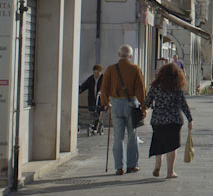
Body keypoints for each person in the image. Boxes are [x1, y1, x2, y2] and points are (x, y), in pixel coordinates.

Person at [100, 45, 147, 175]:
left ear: (118, 54)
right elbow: (140, 90)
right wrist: (144, 107)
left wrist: (105, 104)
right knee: (132, 136)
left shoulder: (110, 70)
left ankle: (118, 167)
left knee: (118, 137)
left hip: (116, 104)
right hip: (131, 103)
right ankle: (132, 165)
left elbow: (104, 89)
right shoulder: (135, 69)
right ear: (130, 56)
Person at [146, 63, 193, 179]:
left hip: (157, 120)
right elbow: (183, 105)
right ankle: (170, 172)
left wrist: (144, 109)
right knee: (172, 146)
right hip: (174, 120)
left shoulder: (155, 86)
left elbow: (147, 102)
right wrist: (190, 119)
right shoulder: (177, 87)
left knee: (159, 142)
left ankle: (158, 166)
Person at [78, 65, 104, 134]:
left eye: (97, 73)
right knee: (93, 112)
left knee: (98, 112)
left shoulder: (104, 79)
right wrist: (79, 90)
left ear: (100, 72)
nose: (96, 74)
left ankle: (95, 127)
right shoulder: (91, 79)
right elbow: (84, 86)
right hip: (92, 99)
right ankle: (93, 125)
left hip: (101, 99)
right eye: (95, 73)